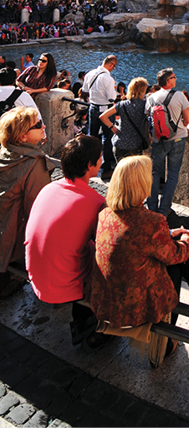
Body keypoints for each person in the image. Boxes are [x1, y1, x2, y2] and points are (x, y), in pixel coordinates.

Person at [91, 156, 189, 359]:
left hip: (104, 299)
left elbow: (131, 240)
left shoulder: (105, 213)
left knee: (171, 252)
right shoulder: (152, 221)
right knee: (177, 265)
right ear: (141, 184)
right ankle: (167, 340)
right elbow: (176, 255)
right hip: (133, 308)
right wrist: (184, 240)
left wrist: (167, 234)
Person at [25, 135, 107, 348]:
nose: (102, 161)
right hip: (62, 285)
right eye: (99, 158)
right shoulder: (96, 202)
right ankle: (91, 324)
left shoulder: (49, 188)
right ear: (90, 165)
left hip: (36, 276)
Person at [0, 107, 55, 297]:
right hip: (11, 235)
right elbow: (37, 209)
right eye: (38, 125)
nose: (44, 126)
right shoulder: (34, 163)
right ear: (23, 137)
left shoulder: (5, 152)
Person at [146, 68, 189, 219]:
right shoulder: (179, 95)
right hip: (177, 139)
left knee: (154, 173)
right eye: (174, 77)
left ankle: (151, 207)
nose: (176, 79)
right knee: (172, 174)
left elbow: (148, 116)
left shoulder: (151, 97)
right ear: (168, 81)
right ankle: (164, 209)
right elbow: (187, 120)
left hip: (158, 140)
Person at [82, 55, 118, 181]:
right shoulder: (108, 78)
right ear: (111, 65)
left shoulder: (90, 73)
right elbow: (111, 98)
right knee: (107, 138)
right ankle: (106, 168)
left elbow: (85, 89)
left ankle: (87, 162)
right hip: (106, 110)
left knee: (91, 135)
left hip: (93, 108)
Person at [99, 77, 149, 162]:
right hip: (135, 144)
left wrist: (112, 127)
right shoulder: (145, 105)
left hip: (119, 143)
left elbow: (103, 116)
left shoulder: (122, 104)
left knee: (120, 171)